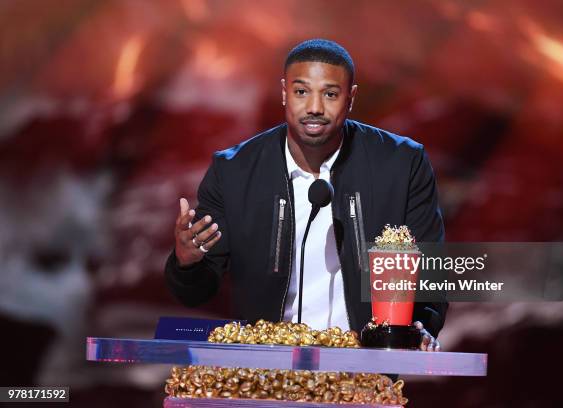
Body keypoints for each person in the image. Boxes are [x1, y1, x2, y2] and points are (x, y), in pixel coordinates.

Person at [166, 39, 447, 351]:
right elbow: (196, 292)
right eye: (302, 92)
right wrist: (186, 263)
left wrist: (419, 327)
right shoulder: (234, 172)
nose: (315, 107)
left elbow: (430, 275)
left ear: (351, 97)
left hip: (366, 371)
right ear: (284, 93)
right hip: (264, 375)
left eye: (330, 94)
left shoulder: (401, 164)